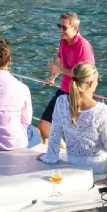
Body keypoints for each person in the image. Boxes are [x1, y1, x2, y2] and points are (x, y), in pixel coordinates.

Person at [40, 63, 107, 174]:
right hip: (98, 167)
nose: (98, 82)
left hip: (73, 162)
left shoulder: (61, 101)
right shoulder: (101, 109)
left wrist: (50, 157)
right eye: (98, 80)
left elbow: (55, 134)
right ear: (90, 84)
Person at [38, 12, 95, 140]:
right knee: (44, 125)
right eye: (59, 26)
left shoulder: (83, 46)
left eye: (64, 27)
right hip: (64, 90)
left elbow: (82, 74)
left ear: (75, 28)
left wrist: (59, 69)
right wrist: (53, 77)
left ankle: (68, 152)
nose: (61, 30)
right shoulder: (63, 41)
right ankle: (64, 150)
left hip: (78, 93)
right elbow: (59, 60)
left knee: (75, 131)